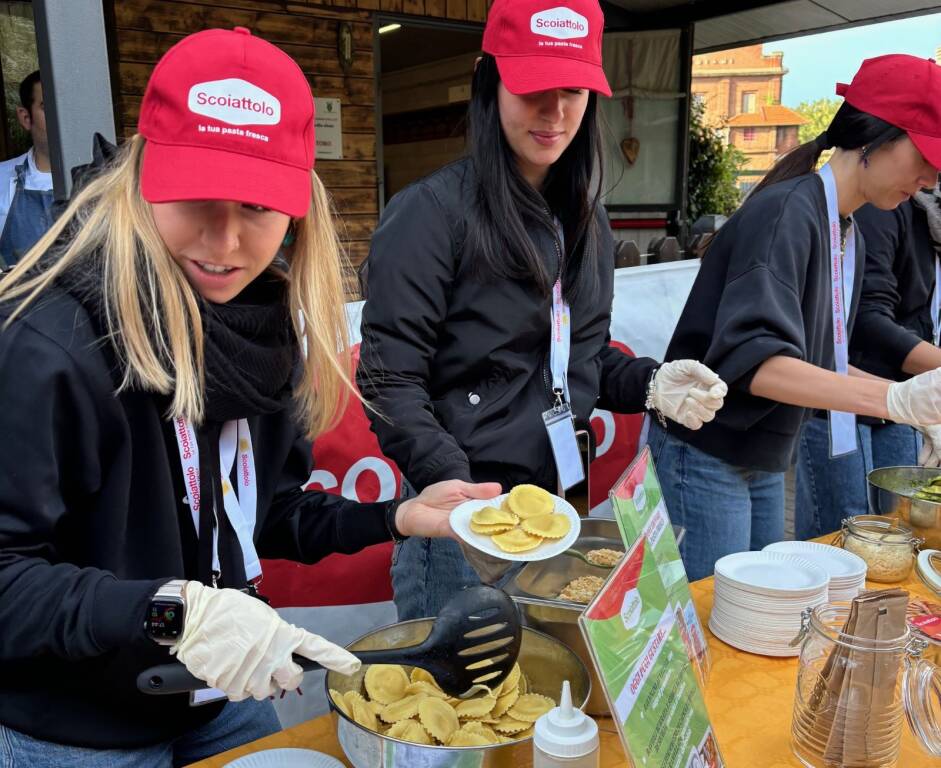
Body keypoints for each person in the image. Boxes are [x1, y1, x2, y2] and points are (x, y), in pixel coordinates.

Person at [0, 27, 499, 767]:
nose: (226, 242)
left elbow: (260, 514)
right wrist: (174, 611)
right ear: (142, 177)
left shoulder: (257, 326)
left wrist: (396, 517)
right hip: (78, 729)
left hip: (215, 695)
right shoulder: (50, 343)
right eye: (197, 197)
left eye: (258, 207)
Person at [356, 0, 727, 621]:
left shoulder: (587, 219)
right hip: (462, 521)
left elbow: (578, 360)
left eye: (574, 89)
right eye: (533, 88)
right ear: (489, 81)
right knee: (469, 706)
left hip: (555, 506)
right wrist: (460, 489)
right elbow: (387, 378)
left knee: (547, 695)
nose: (555, 112)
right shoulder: (430, 214)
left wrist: (652, 383)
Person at [648, 54, 941, 581]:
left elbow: (822, 360)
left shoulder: (843, 224)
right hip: (706, 447)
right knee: (712, 613)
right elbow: (758, 364)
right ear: (874, 135)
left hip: (761, 451)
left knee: (757, 604)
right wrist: (895, 399)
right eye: (924, 155)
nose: (928, 178)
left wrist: (918, 405)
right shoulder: (790, 212)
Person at [795, 192, 941, 539]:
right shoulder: (888, 205)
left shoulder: (929, 224)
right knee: (844, 529)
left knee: (899, 529)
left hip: (902, 401)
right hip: (843, 393)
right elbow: (866, 319)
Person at [0, 69, 53, 267]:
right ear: (25, 117)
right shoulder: (2, 180)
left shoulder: (109, 178)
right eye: (48, 106)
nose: (62, 115)